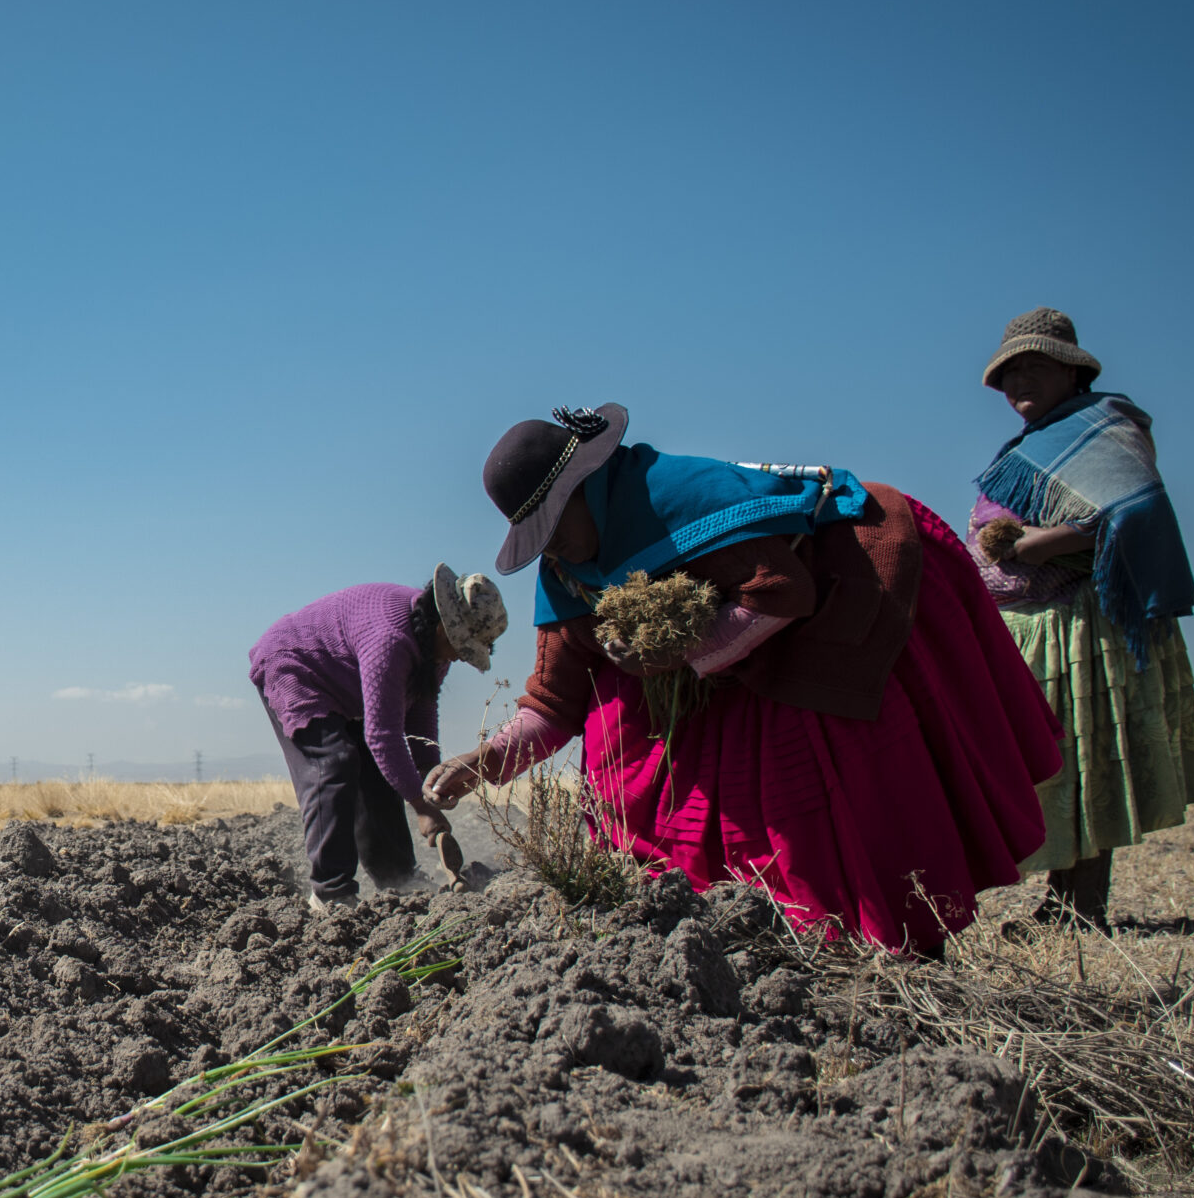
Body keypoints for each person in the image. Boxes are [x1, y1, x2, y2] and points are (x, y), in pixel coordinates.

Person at [424, 404, 1063, 955]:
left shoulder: (674, 498)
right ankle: (723, 933)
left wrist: (672, 650)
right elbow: (556, 702)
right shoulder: (567, 573)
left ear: (588, 487)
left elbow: (782, 591)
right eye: (542, 542)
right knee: (621, 745)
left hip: (830, 605)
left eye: (557, 530)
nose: (555, 551)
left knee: (819, 775)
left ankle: (887, 939)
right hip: (725, 658)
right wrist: (483, 762)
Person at [970, 307, 1194, 930]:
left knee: (1084, 762)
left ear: (1072, 372)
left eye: (1035, 367)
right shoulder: (1034, 441)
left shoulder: (1104, 426)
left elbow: (1135, 510)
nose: (1020, 381)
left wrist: (1036, 544)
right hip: (1033, 626)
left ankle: (1081, 907)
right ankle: (1063, 900)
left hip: (1083, 624)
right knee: (1053, 765)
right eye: (1010, 372)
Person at [250, 566, 507, 911]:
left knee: (377, 771)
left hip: (345, 683)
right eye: (462, 646)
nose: (461, 655)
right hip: (295, 665)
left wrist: (429, 782)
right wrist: (420, 806)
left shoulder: (434, 647)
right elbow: (383, 736)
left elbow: (418, 716)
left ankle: (399, 879)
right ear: (444, 625)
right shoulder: (392, 638)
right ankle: (330, 893)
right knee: (333, 763)